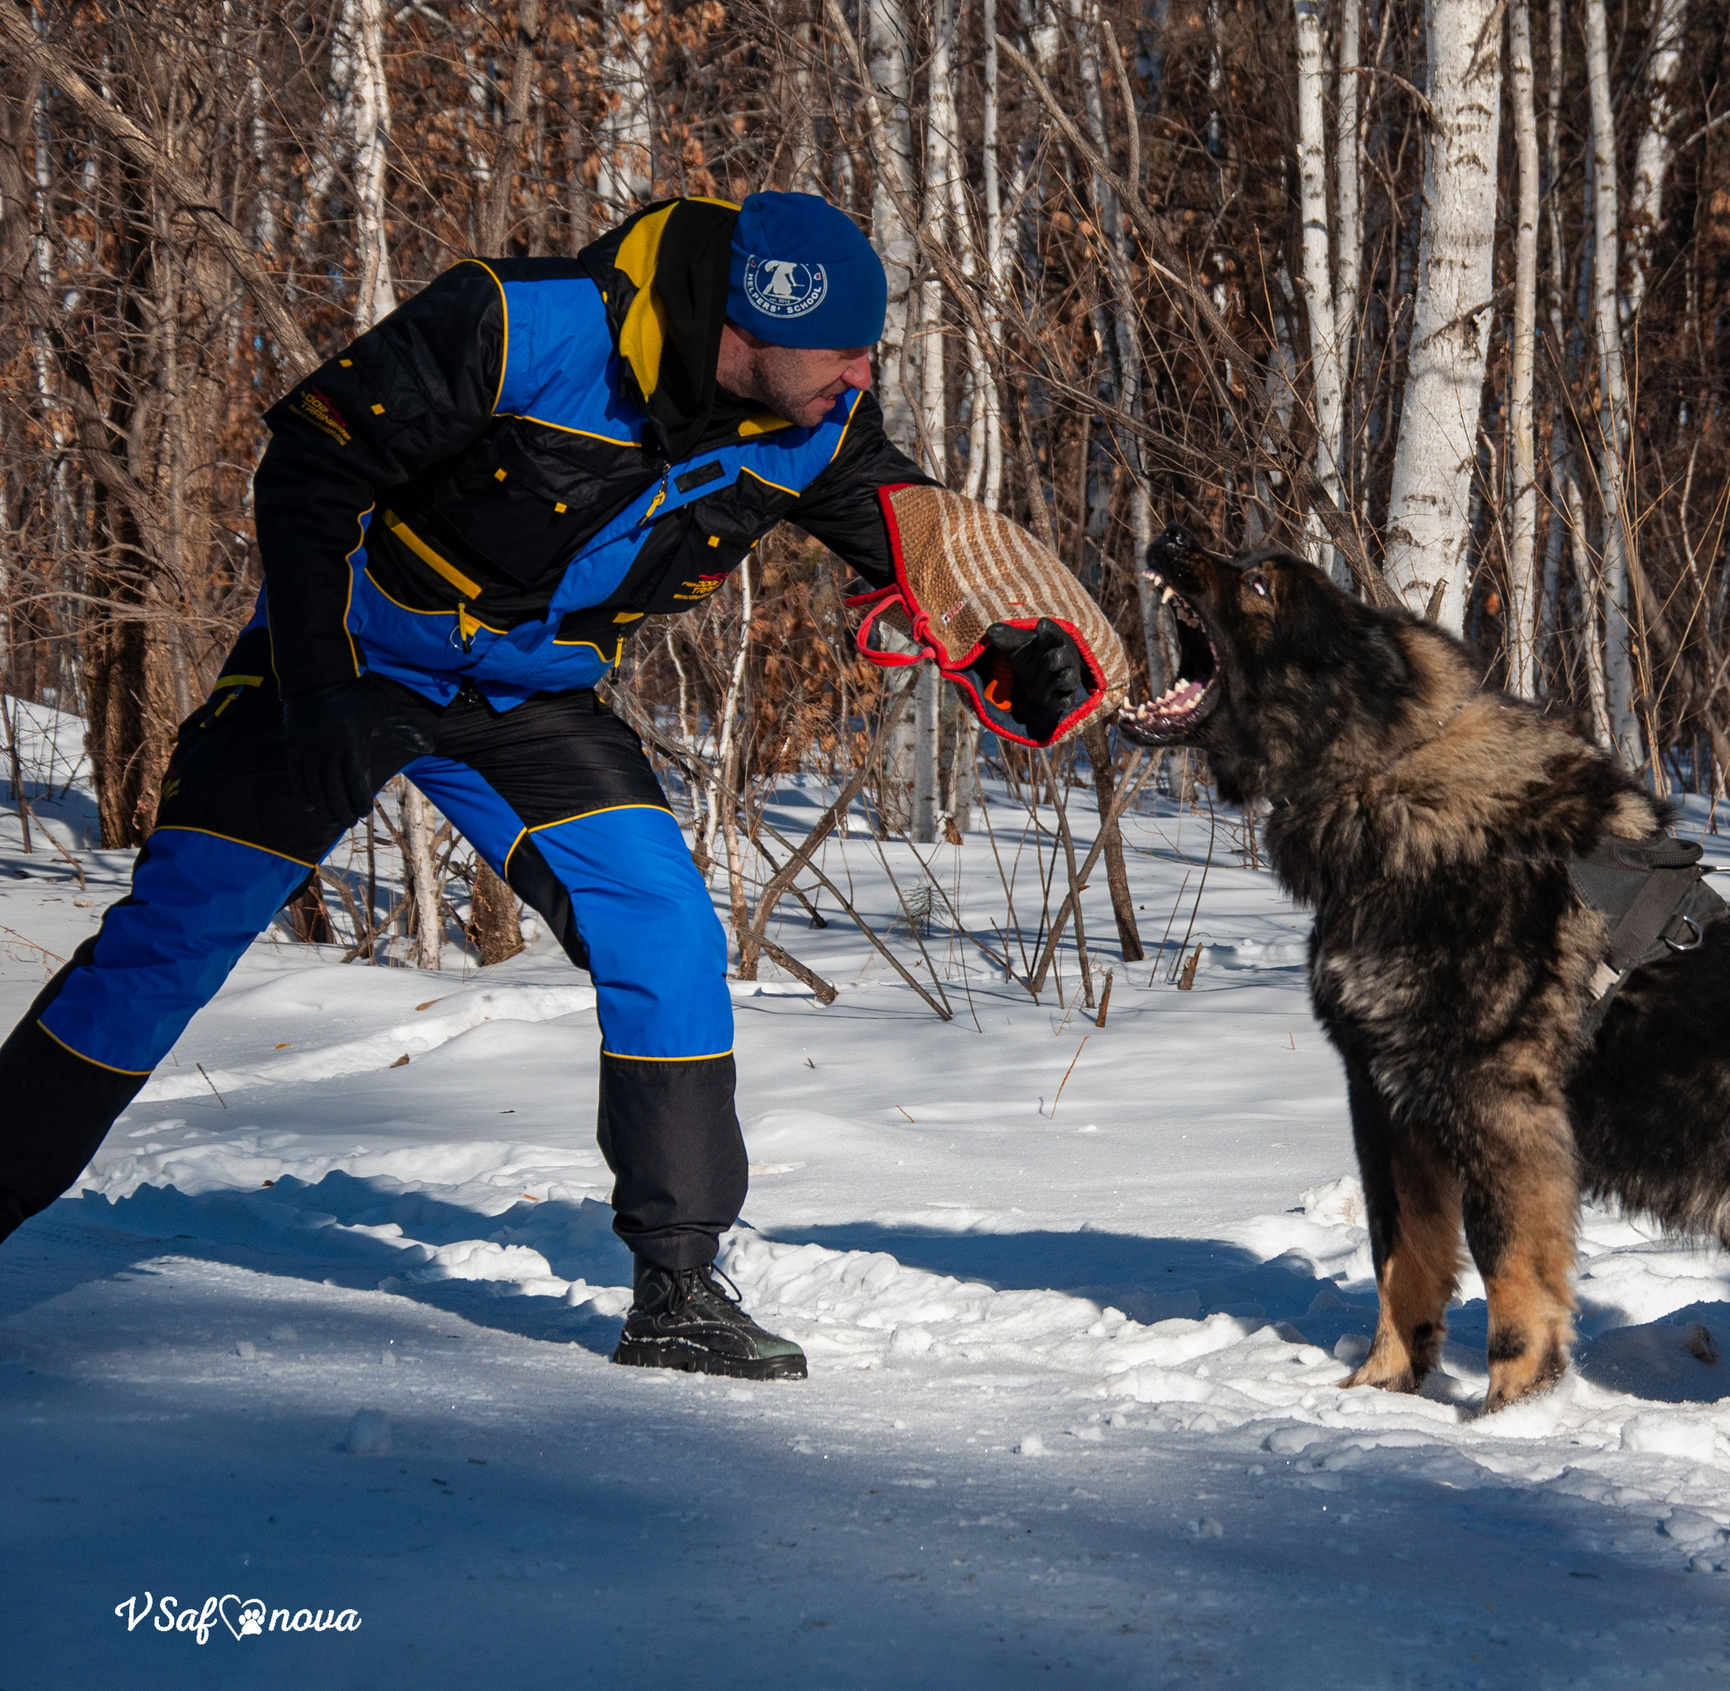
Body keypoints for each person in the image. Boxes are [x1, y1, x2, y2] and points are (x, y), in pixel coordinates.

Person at [0, 191, 1095, 1379]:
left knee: (665, 925)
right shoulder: (523, 325)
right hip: (350, 660)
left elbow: (922, 543)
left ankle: (677, 1288)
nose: (862, 372)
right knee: (174, 936)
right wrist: (315, 690)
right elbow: (312, 466)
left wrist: (1017, 648)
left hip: (529, 699)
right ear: (756, 323)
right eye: (844, 347)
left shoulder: (814, 426)